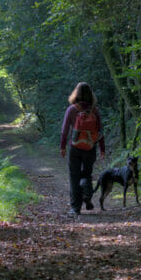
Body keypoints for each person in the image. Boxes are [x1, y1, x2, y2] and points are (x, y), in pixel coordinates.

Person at [59, 82, 106, 216]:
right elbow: (100, 131)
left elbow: (65, 130)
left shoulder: (72, 109)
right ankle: (87, 195)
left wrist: (62, 146)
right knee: (86, 174)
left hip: (75, 147)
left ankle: (75, 208)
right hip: (90, 147)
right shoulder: (95, 110)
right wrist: (102, 149)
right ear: (91, 94)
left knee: (74, 176)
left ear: (76, 93)